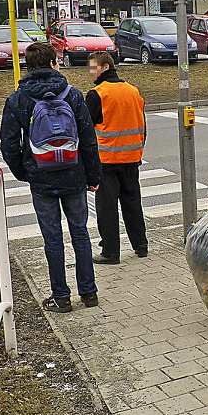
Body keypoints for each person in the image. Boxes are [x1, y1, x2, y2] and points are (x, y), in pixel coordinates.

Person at [0, 42, 102, 313]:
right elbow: (89, 140)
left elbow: (9, 145)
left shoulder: (17, 99)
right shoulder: (74, 95)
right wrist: (93, 175)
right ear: (54, 63)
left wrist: (25, 172)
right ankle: (89, 293)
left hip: (41, 178)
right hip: (74, 175)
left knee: (52, 238)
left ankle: (61, 297)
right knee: (80, 233)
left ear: (28, 65)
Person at [85, 50, 148, 265]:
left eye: (94, 67)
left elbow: (86, 131)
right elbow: (142, 125)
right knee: (132, 203)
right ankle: (141, 246)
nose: (91, 72)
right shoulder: (133, 91)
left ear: (105, 67)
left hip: (107, 161)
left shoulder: (97, 94)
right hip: (132, 157)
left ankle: (111, 252)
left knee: (107, 207)